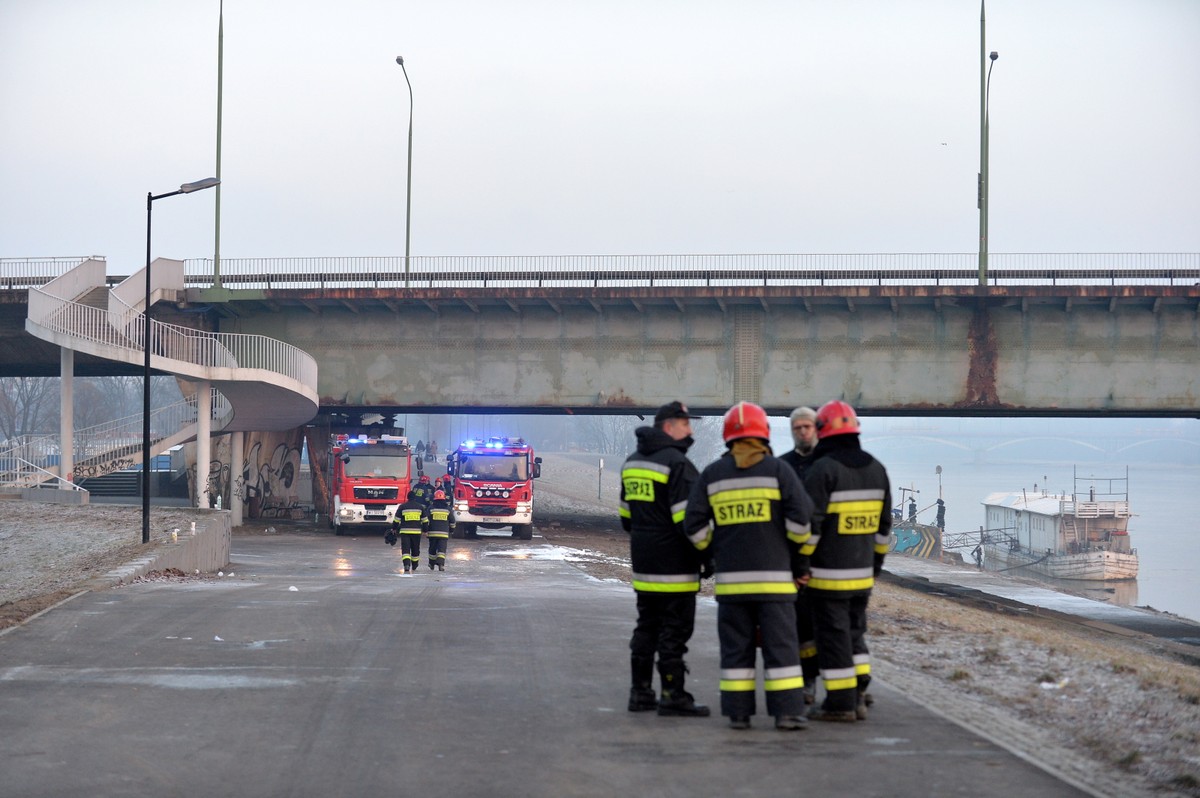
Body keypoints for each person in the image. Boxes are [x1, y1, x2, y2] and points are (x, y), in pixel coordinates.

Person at [684, 401, 815, 731]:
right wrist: (800, 565)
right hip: (776, 586)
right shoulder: (779, 471)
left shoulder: (713, 474)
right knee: (782, 652)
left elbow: (694, 525)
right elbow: (801, 523)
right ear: (764, 435)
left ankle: (738, 713)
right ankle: (786, 714)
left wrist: (713, 554)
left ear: (729, 436)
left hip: (732, 587)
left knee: (736, 653)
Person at [801, 400, 892, 722]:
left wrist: (800, 565)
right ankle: (859, 691)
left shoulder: (823, 470)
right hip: (863, 574)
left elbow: (809, 528)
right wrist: (876, 565)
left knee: (833, 637)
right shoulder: (877, 469)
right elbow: (883, 529)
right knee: (855, 633)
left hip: (827, 576)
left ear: (824, 433)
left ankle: (839, 703)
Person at [618, 401, 710, 717]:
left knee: (646, 628)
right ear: (669, 426)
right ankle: (673, 695)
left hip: (644, 567)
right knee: (674, 632)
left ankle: (640, 693)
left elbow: (626, 518)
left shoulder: (631, 463)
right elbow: (690, 524)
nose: (691, 430)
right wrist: (708, 556)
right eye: (686, 424)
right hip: (676, 569)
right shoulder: (678, 465)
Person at [779, 406, 821, 706]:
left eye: (807, 426)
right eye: (798, 427)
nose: (803, 431)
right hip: (792, 557)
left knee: (840, 625)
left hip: (827, 557)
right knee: (801, 625)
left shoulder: (829, 465)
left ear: (817, 428)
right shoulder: (783, 467)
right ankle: (806, 680)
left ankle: (853, 686)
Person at [394, 489, 429, 574]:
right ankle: (414, 565)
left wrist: (394, 528)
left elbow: (396, 520)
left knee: (405, 550)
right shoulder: (420, 507)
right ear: (415, 498)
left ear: (408, 497)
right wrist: (425, 530)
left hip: (405, 532)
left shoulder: (402, 506)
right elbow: (425, 521)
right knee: (415, 549)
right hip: (416, 532)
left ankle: (406, 566)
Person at [426, 489, 455, 570]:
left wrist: (425, 530)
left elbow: (426, 520)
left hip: (432, 533)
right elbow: (452, 521)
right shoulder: (448, 509)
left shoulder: (431, 508)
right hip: (444, 534)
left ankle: (431, 564)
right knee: (441, 550)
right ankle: (441, 565)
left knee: (432, 549)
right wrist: (451, 530)